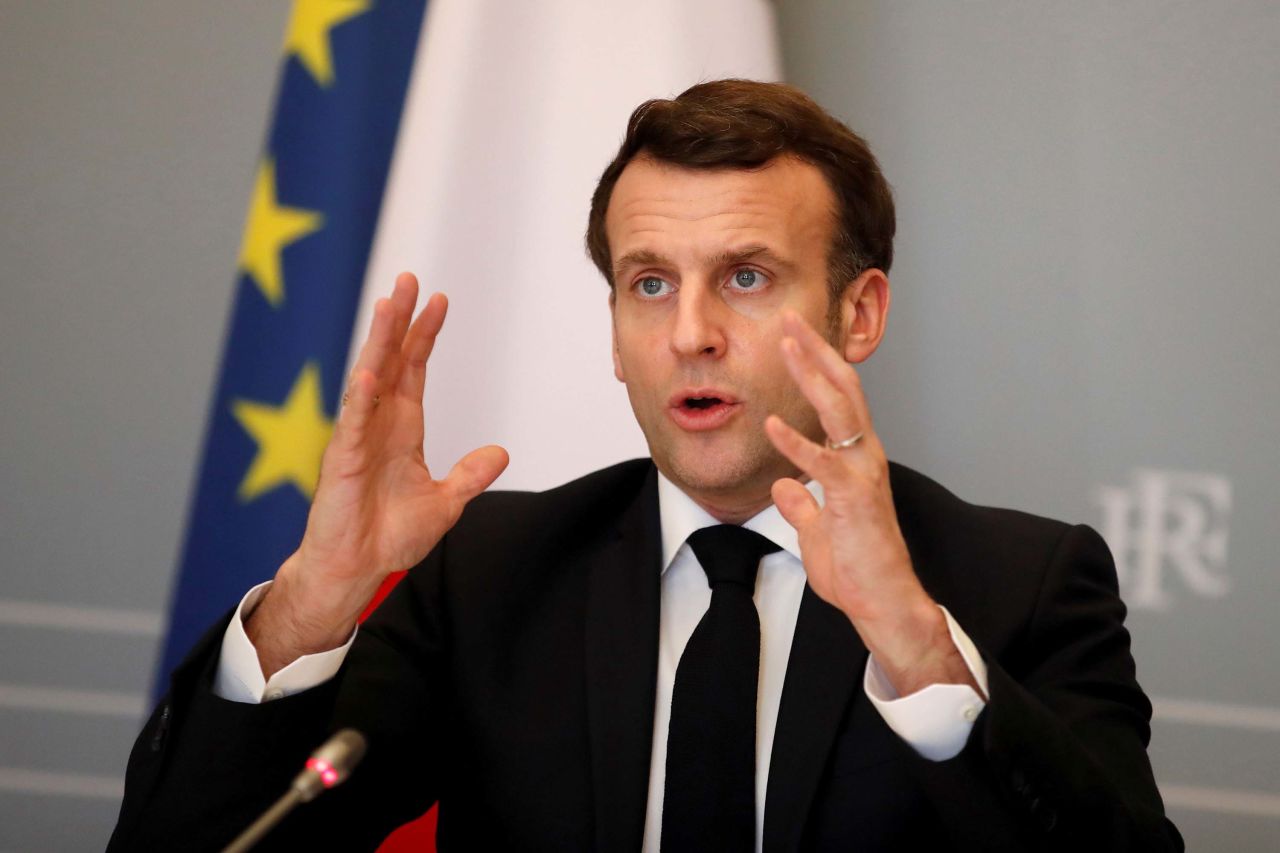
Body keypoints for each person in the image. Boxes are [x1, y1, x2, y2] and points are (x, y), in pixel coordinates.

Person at [109, 80, 1182, 851]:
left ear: (857, 313)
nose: (690, 334)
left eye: (747, 277)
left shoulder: (1021, 583)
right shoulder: (492, 575)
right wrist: (312, 599)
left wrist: (911, 643)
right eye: (649, 284)